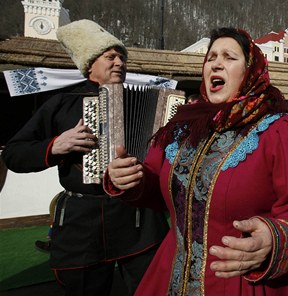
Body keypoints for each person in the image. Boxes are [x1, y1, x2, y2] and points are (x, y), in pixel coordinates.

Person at [103, 27, 288, 295]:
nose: (216, 64)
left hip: (243, 282)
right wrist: (131, 179)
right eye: (211, 57)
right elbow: (156, 188)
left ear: (250, 70)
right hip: (172, 276)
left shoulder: (282, 129)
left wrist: (274, 237)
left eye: (228, 57)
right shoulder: (181, 129)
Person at [1, 19, 169, 295]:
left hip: (137, 221)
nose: (119, 63)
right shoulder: (61, 103)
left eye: (123, 58)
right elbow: (13, 154)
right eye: (111, 57)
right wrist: (55, 146)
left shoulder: (153, 101)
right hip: (83, 224)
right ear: (90, 64)